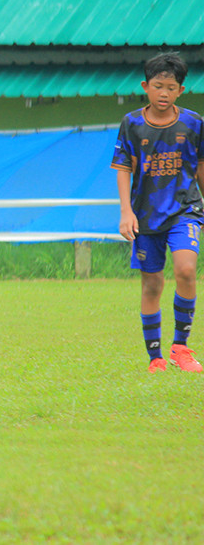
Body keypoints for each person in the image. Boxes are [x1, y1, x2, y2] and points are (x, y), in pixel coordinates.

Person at [113, 52, 204, 374]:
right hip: (146, 214)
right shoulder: (132, 124)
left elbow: (201, 167)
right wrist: (126, 211)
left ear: (180, 90)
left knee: (185, 270)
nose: (164, 93)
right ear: (146, 87)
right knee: (152, 284)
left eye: (171, 87)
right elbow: (123, 168)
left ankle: (181, 347)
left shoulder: (193, 123)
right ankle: (156, 358)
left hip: (185, 209)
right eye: (158, 86)